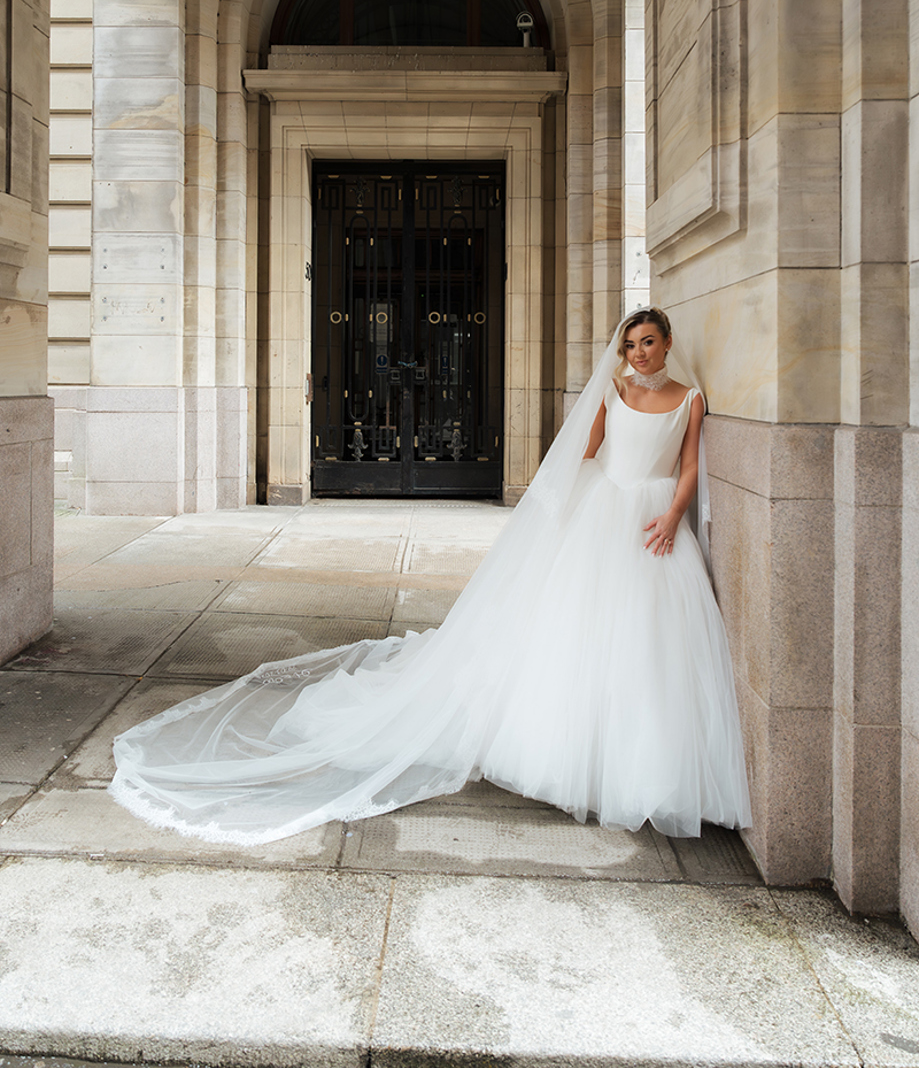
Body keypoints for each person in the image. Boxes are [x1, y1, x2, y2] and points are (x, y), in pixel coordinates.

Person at [110, 306, 752, 845]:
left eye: (648, 343)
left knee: (647, 641)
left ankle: (643, 765)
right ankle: (571, 753)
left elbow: (690, 466)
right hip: (603, 512)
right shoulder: (615, 394)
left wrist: (672, 516)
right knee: (579, 627)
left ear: (668, 343)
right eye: (630, 345)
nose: (638, 354)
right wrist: (559, 499)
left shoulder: (690, 400)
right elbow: (584, 454)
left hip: (653, 518)